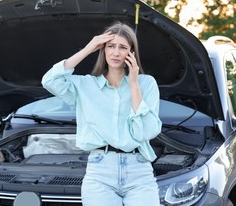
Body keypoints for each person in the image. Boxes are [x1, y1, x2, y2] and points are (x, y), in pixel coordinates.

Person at [41, 21, 161, 206]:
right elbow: (50, 80)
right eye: (111, 46)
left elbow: (145, 132)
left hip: (139, 171)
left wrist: (134, 84)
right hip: (100, 171)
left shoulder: (146, 83)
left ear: (131, 52)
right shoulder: (84, 85)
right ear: (102, 49)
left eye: (123, 47)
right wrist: (88, 48)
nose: (116, 52)